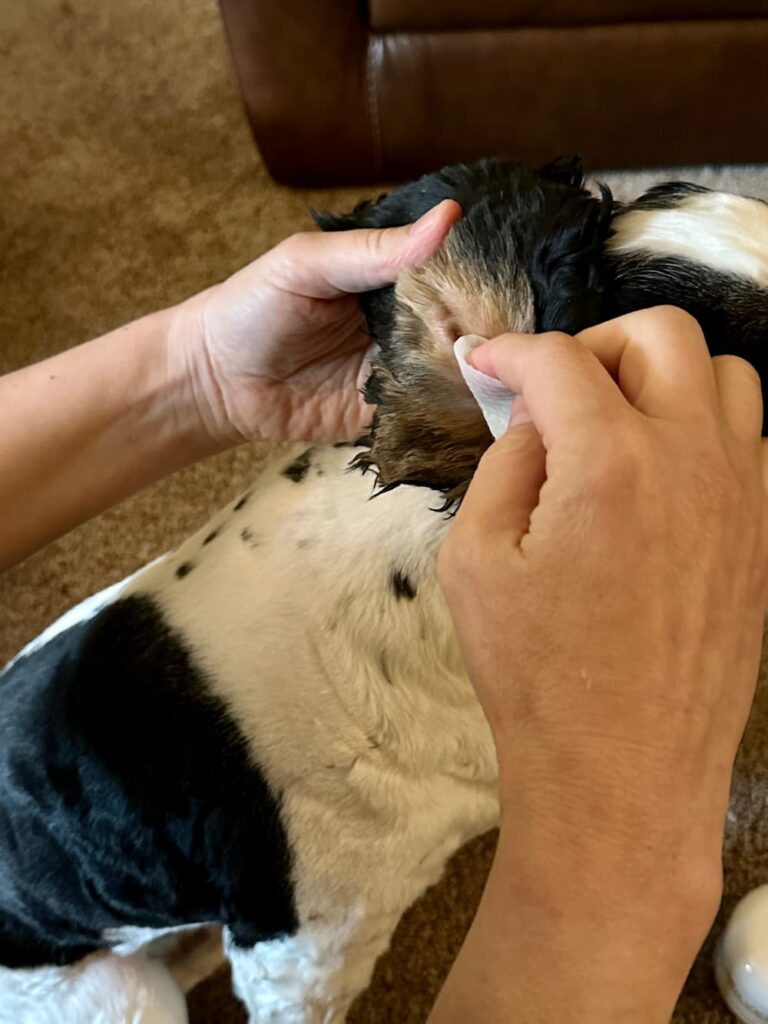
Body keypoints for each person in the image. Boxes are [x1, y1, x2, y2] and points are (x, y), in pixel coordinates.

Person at [1, 201, 767, 1023]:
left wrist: (199, 370)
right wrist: (630, 831)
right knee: (140, 1002)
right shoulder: (351, 762)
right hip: (45, 948)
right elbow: (295, 981)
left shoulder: (412, 430)